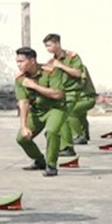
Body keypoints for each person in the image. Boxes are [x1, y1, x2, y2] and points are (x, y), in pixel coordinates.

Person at [14, 46, 73, 177]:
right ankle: (40, 161)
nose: (19, 65)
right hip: (37, 111)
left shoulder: (51, 72)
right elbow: (23, 102)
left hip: (56, 108)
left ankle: (51, 165)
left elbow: (58, 94)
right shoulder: (20, 78)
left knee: (52, 131)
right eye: (17, 61)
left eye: (22, 61)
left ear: (32, 60)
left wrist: (34, 86)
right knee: (22, 138)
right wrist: (23, 126)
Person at [42, 33, 96, 148]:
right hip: (64, 94)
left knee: (68, 113)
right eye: (46, 46)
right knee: (67, 114)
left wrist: (60, 66)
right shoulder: (51, 61)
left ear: (57, 43)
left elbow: (78, 73)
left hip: (77, 93)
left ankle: (74, 139)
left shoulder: (72, 57)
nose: (47, 49)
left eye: (49, 45)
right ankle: (76, 137)